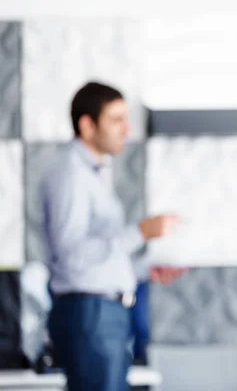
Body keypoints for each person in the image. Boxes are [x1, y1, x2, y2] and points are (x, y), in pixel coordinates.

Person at [41, 81, 186, 391]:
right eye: (117, 119)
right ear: (87, 125)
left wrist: (141, 271)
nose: (127, 130)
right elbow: (72, 254)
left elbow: (95, 258)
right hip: (90, 316)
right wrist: (140, 232)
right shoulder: (70, 174)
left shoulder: (92, 173)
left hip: (102, 314)